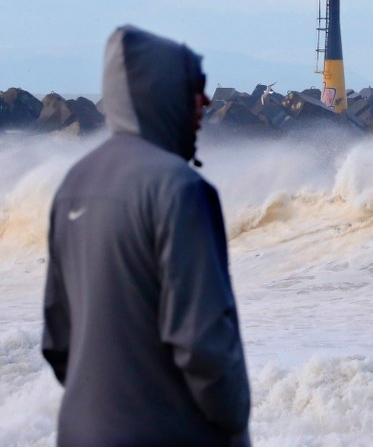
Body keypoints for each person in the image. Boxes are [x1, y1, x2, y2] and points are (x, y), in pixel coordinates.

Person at [42, 26, 251, 446]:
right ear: (164, 93)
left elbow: (57, 339)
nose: (207, 102)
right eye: (197, 87)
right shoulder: (180, 189)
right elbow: (201, 344)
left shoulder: (72, 185)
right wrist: (233, 421)